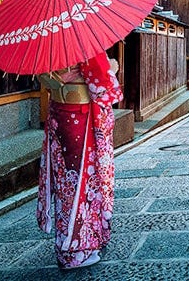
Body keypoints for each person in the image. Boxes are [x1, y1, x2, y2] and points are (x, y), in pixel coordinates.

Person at [36, 52, 123, 269]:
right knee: (82, 184)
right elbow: (102, 84)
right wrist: (112, 67)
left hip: (58, 112)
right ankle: (76, 250)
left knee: (65, 182)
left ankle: (69, 243)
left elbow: (45, 78)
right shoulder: (82, 44)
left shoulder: (46, 43)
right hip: (80, 117)